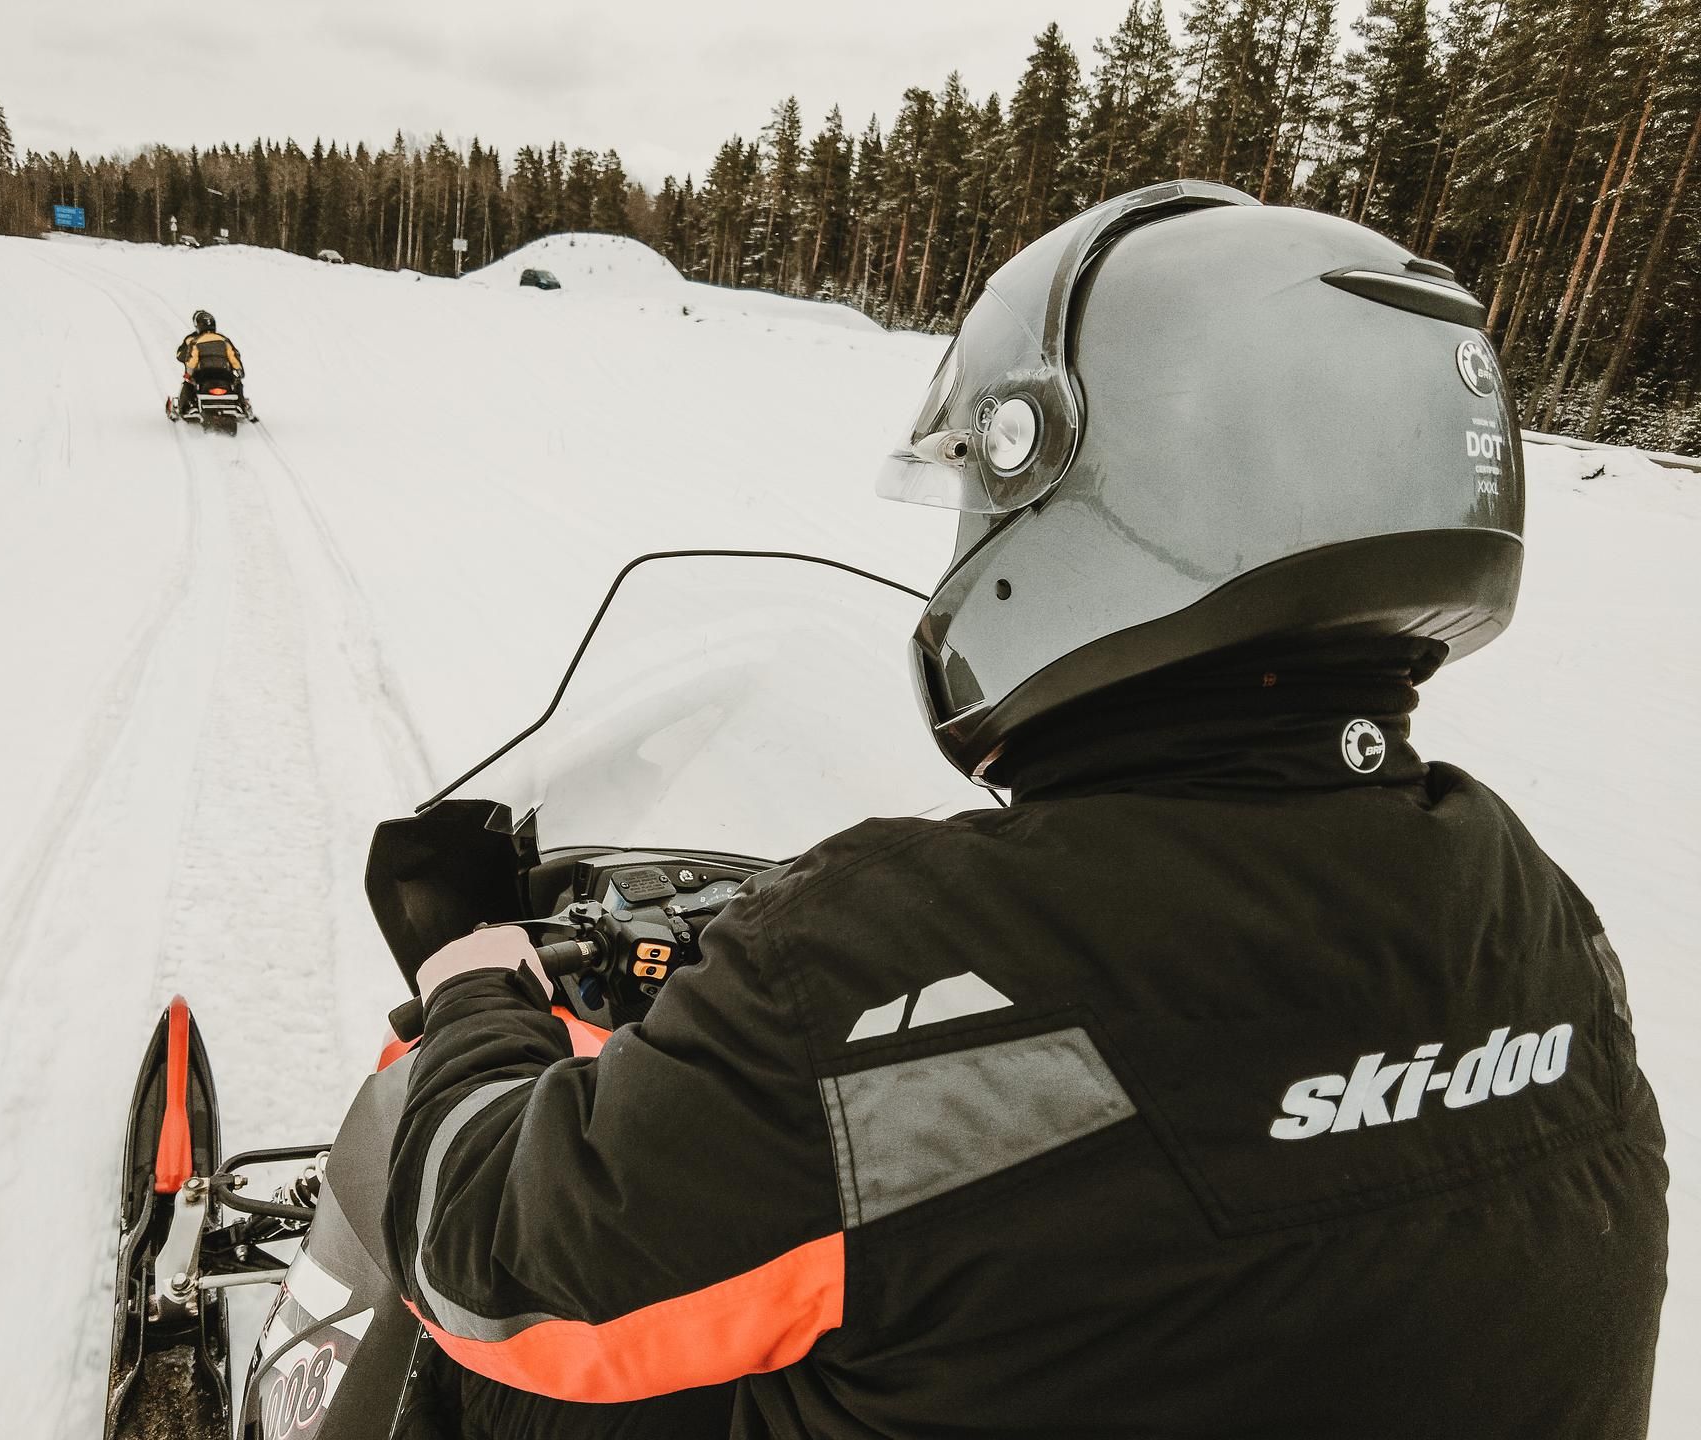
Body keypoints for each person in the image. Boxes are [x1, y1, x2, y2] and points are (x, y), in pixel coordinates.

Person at [384, 181, 1668, 1438]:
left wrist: (479, 993)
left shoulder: (873, 965)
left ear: (1098, 493)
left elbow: (493, 1262)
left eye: (981, 500)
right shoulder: (1541, 918)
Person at [172, 308, 247, 419]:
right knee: (237, 383)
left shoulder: (195, 341)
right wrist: (240, 371)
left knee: (188, 384)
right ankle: (241, 404)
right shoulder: (224, 340)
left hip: (203, 375)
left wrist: (189, 373)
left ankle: (185, 407)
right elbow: (233, 357)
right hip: (224, 374)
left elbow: (192, 360)